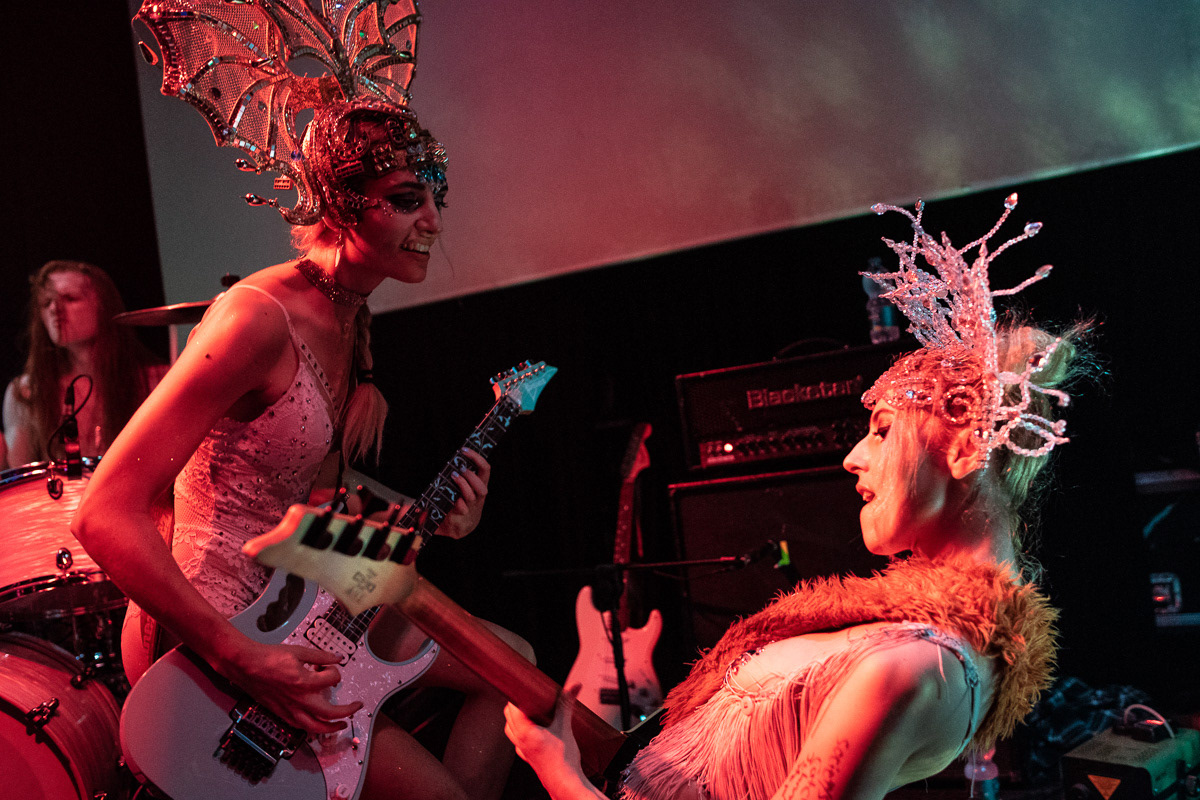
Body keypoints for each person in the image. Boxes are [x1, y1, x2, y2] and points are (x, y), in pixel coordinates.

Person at [71, 8, 528, 799]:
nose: (432, 221)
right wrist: (242, 657)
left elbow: (304, 498)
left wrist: (432, 518)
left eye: (436, 197)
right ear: (342, 204)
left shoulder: (350, 313)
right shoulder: (256, 320)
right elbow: (102, 514)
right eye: (407, 199)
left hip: (294, 600)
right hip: (211, 634)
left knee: (512, 667)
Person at [504, 195, 1087, 800]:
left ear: (965, 450)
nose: (853, 457)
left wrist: (558, 774)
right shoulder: (918, 643)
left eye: (882, 431)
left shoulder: (913, 668)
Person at [3, 259, 168, 468]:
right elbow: (20, 475)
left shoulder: (156, 381)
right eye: (46, 303)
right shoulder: (26, 392)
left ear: (103, 306)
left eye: (69, 298)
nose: (55, 309)